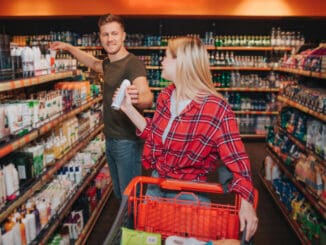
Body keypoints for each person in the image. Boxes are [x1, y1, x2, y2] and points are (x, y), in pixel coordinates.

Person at [117, 36, 258, 241]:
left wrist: (246, 201)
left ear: (182, 63)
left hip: (189, 195)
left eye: (166, 56)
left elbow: (237, 159)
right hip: (156, 186)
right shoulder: (167, 95)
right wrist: (127, 108)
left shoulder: (216, 109)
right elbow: (155, 135)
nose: (161, 61)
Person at [50, 14, 153, 200]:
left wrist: (137, 98)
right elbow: (92, 62)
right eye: (105, 35)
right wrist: (69, 47)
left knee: (129, 199)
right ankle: (126, 228)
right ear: (100, 38)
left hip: (127, 142)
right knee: (119, 195)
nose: (110, 39)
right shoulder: (109, 63)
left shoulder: (133, 64)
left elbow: (147, 96)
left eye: (114, 33)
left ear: (123, 36)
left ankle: (130, 229)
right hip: (111, 139)